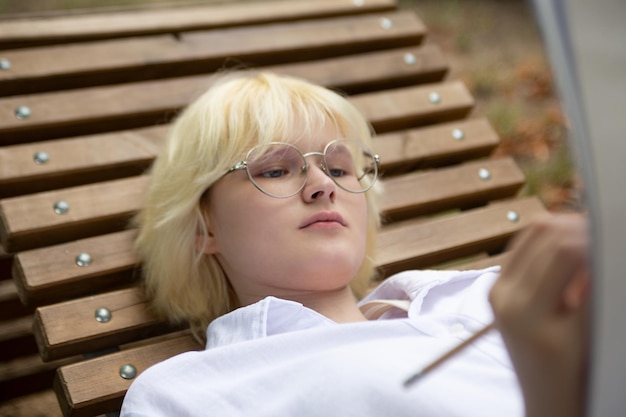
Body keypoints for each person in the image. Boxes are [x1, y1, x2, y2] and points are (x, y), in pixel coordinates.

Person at [120, 71, 588, 417]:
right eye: (276, 169)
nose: (323, 185)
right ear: (204, 227)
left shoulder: (477, 293)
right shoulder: (191, 395)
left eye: (340, 168)